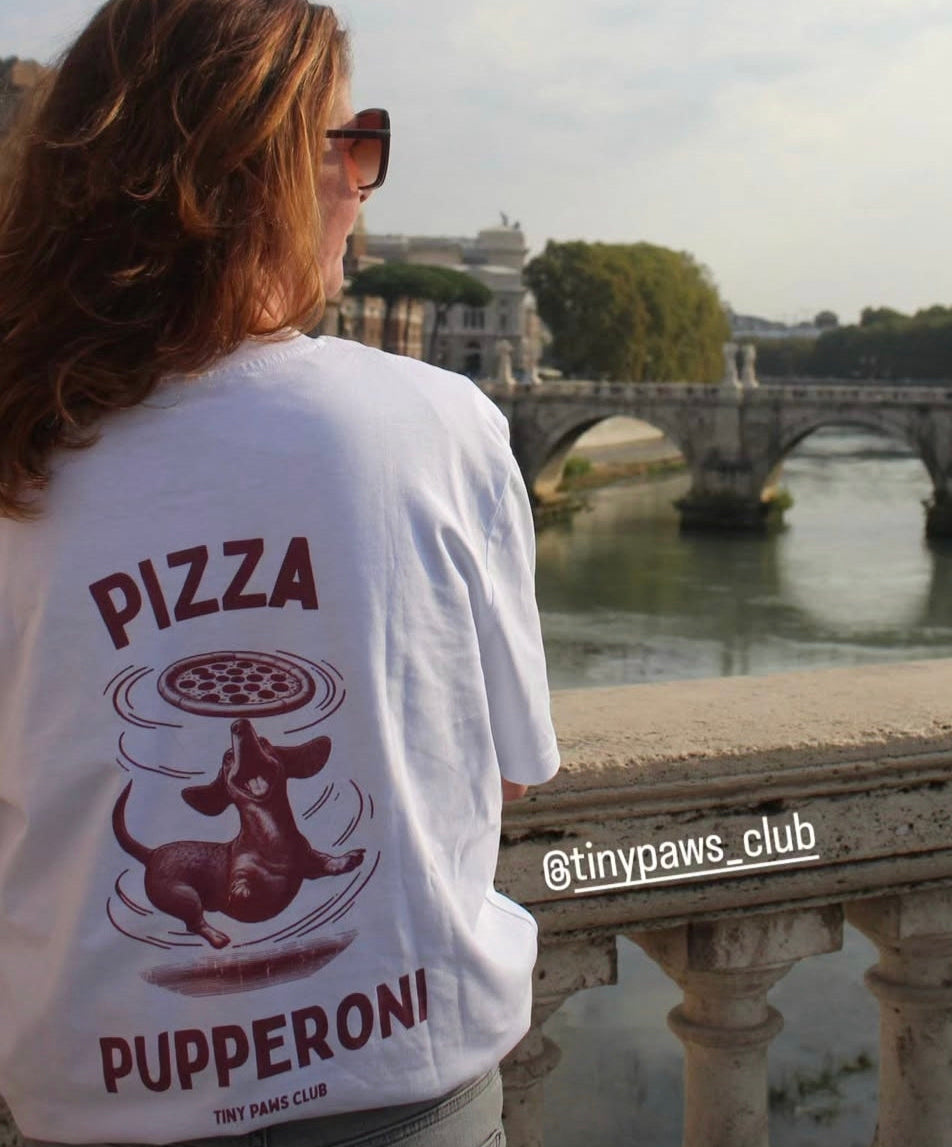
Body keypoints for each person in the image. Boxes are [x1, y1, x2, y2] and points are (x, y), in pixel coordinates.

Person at [0, 1, 559, 1145]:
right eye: (354, 150)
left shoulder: (19, 454)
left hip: (95, 1105)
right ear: (263, 178)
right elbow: (501, 773)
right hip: (413, 1095)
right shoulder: (442, 427)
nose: (364, 191)